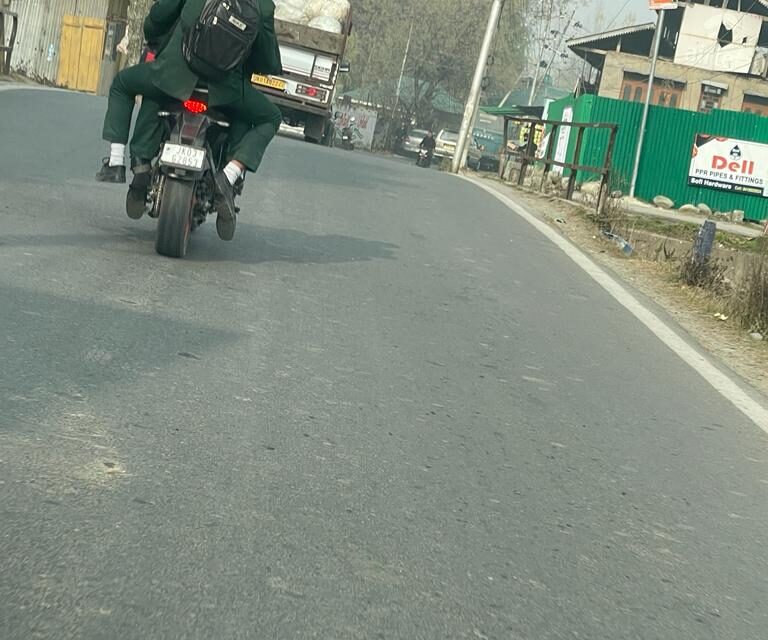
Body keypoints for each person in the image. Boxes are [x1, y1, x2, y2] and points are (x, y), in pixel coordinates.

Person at [95, 0, 283, 241]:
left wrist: (157, 36)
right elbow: (267, 61)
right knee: (268, 116)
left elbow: (157, 18)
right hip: (226, 92)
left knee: (126, 85)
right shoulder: (263, 5)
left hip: (173, 75)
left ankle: (119, 162)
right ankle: (230, 175)